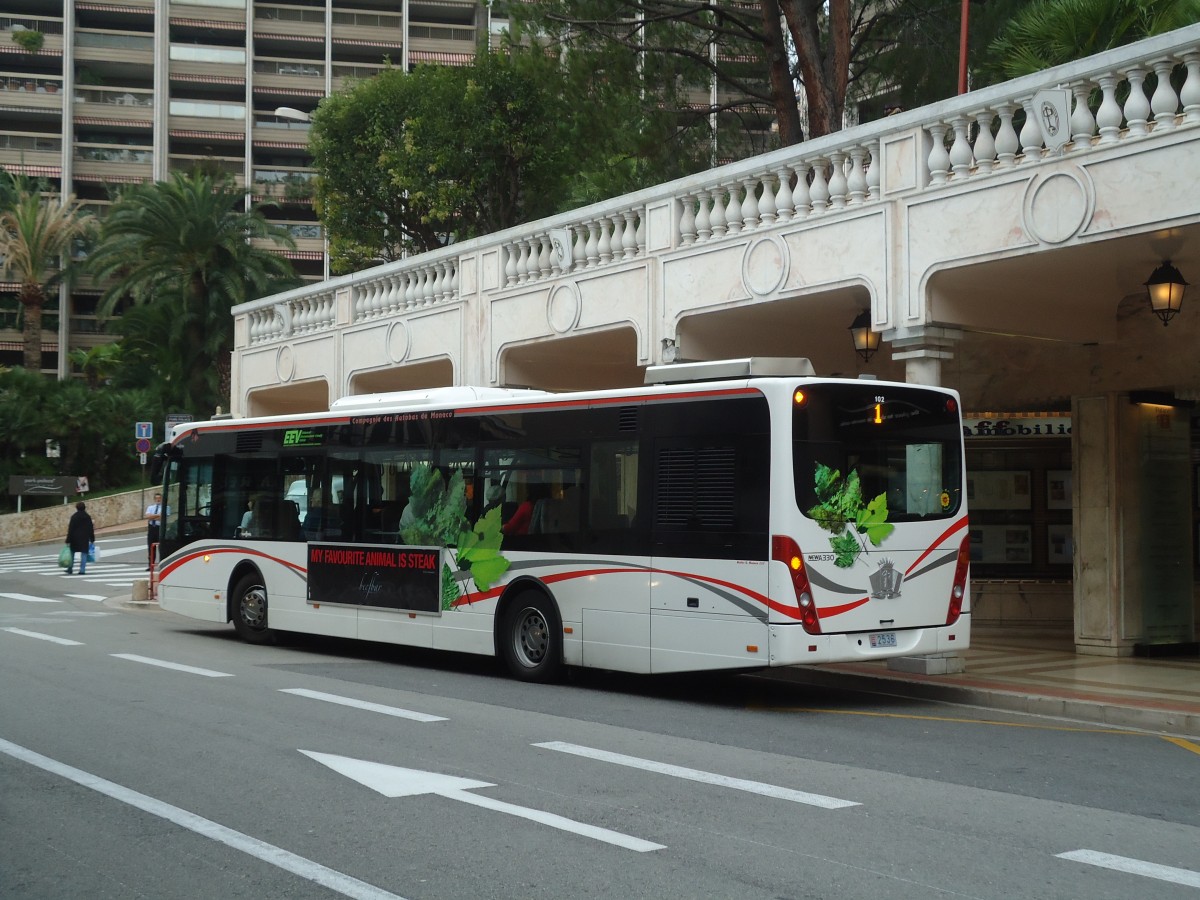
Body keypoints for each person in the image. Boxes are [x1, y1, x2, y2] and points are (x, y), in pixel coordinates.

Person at [65, 501, 95, 576]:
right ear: (84, 508)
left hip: (74, 538)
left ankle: (70, 568)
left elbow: (70, 529)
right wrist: (92, 538)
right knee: (84, 553)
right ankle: (82, 570)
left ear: (77, 508)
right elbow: (90, 528)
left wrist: (68, 539)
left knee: (72, 553)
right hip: (84, 537)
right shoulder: (87, 517)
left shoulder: (74, 517)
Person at [145, 492, 162, 569]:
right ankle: (150, 565)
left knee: (161, 547)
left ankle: (163, 564)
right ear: (154, 499)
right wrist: (158, 515)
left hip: (160, 528)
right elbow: (148, 516)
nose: (158, 500)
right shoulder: (150, 507)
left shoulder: (165, 507)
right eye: (156, 498)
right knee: (151, 548)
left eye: (159, 498)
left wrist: (152, 517)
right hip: (152, 528)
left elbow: (162, 517)